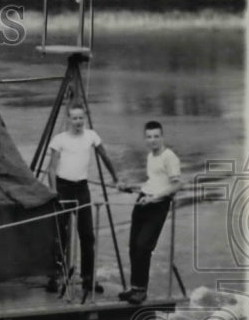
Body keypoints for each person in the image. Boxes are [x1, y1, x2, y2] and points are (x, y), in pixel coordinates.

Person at [46, 105, 119, 297]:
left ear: (84, 118)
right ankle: (56, 276)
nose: (78, 122)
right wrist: (54, 191)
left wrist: (116, 179)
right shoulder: (59, 139)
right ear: (68, 119)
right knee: (59, 235)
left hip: (82, 189)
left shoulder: (91, 136)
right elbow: (51, 169)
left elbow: (104, 156)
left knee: (87, 235)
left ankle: (88, 279)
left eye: (81, 118)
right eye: (74, 118)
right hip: (63, 188)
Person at [116, 121, 183, 304]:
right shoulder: (150, 156)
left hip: (157, 206)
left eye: (156, 136)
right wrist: (129, 186)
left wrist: (153, 198)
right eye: (149, 137)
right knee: (134, 247)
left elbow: (177, 185)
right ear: (145, 138)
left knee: (144, 246)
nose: (153, 140)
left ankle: (142, 291)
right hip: (142, 202)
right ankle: (135, 288)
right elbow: (151, 182)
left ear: (162, 137)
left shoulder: (170, 157)